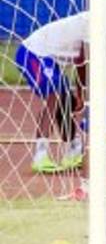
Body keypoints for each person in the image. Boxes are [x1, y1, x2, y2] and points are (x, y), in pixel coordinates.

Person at [15, 12, 87, 173]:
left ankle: (72, 150)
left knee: (65, 98)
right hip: (32, 53)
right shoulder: (93, 23)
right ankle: (40, 156)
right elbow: (82, 62)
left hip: (49, 59)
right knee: (54, 94)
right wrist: (82, 93)